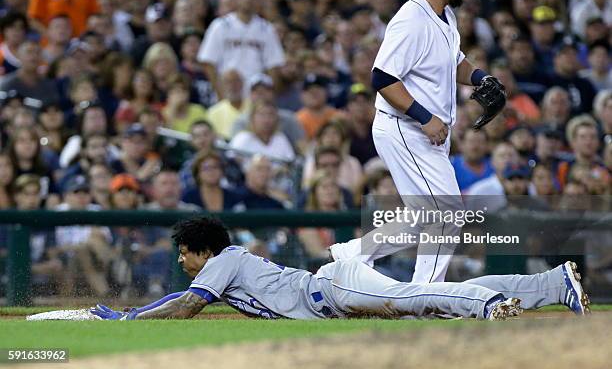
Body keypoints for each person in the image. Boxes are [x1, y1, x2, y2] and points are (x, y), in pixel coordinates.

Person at [329, 0, 504, 283]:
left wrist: (481, 77)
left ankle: (352, 253)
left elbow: (454, 61)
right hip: (406, 128)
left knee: (425, 215)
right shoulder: (411, 20)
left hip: (424, 131)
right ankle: (424, 294)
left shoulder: (445, 15)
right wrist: (424, 117)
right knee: (447, 212)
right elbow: (382, 77)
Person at [90, 216, 590, 320]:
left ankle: (489, 305)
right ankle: (550, 283)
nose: (182, 259)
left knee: (417, 299)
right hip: (333, 284)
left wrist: (133, 319)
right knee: (428, 292)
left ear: (203, 250)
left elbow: (184, 307)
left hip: (333, 288)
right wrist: (136, 312)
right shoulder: (225, 264)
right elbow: (176, 299)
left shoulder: (222, 260)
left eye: (184, 252)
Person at [197, 0, 285, 97]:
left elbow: (273, 66)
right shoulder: (221, 25)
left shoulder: (266, 29)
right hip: (228, 92)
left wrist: (269, 95)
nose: (248, 0)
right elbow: (208, 62)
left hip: (256, 94)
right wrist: (220, 94)